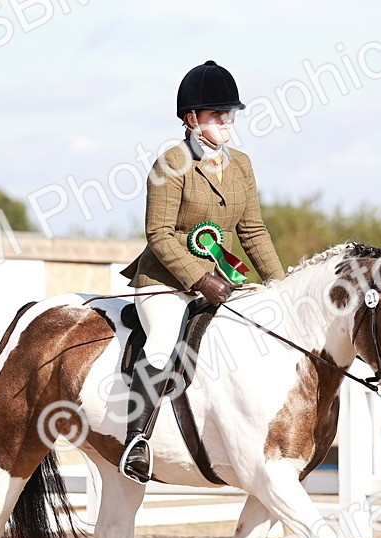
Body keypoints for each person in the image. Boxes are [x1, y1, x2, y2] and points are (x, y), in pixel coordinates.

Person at [118, 60, 286, 483]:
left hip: (224, 283)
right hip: (164, 283)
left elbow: (252, 229)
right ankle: (136, 442)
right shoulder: (170, 163)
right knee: (160, 345)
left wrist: (280, 286)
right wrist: (201, 279)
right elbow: (158, 233)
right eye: (217, 114)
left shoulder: (242, 164)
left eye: (230, 113)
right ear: (192, 119)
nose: (227, 121)